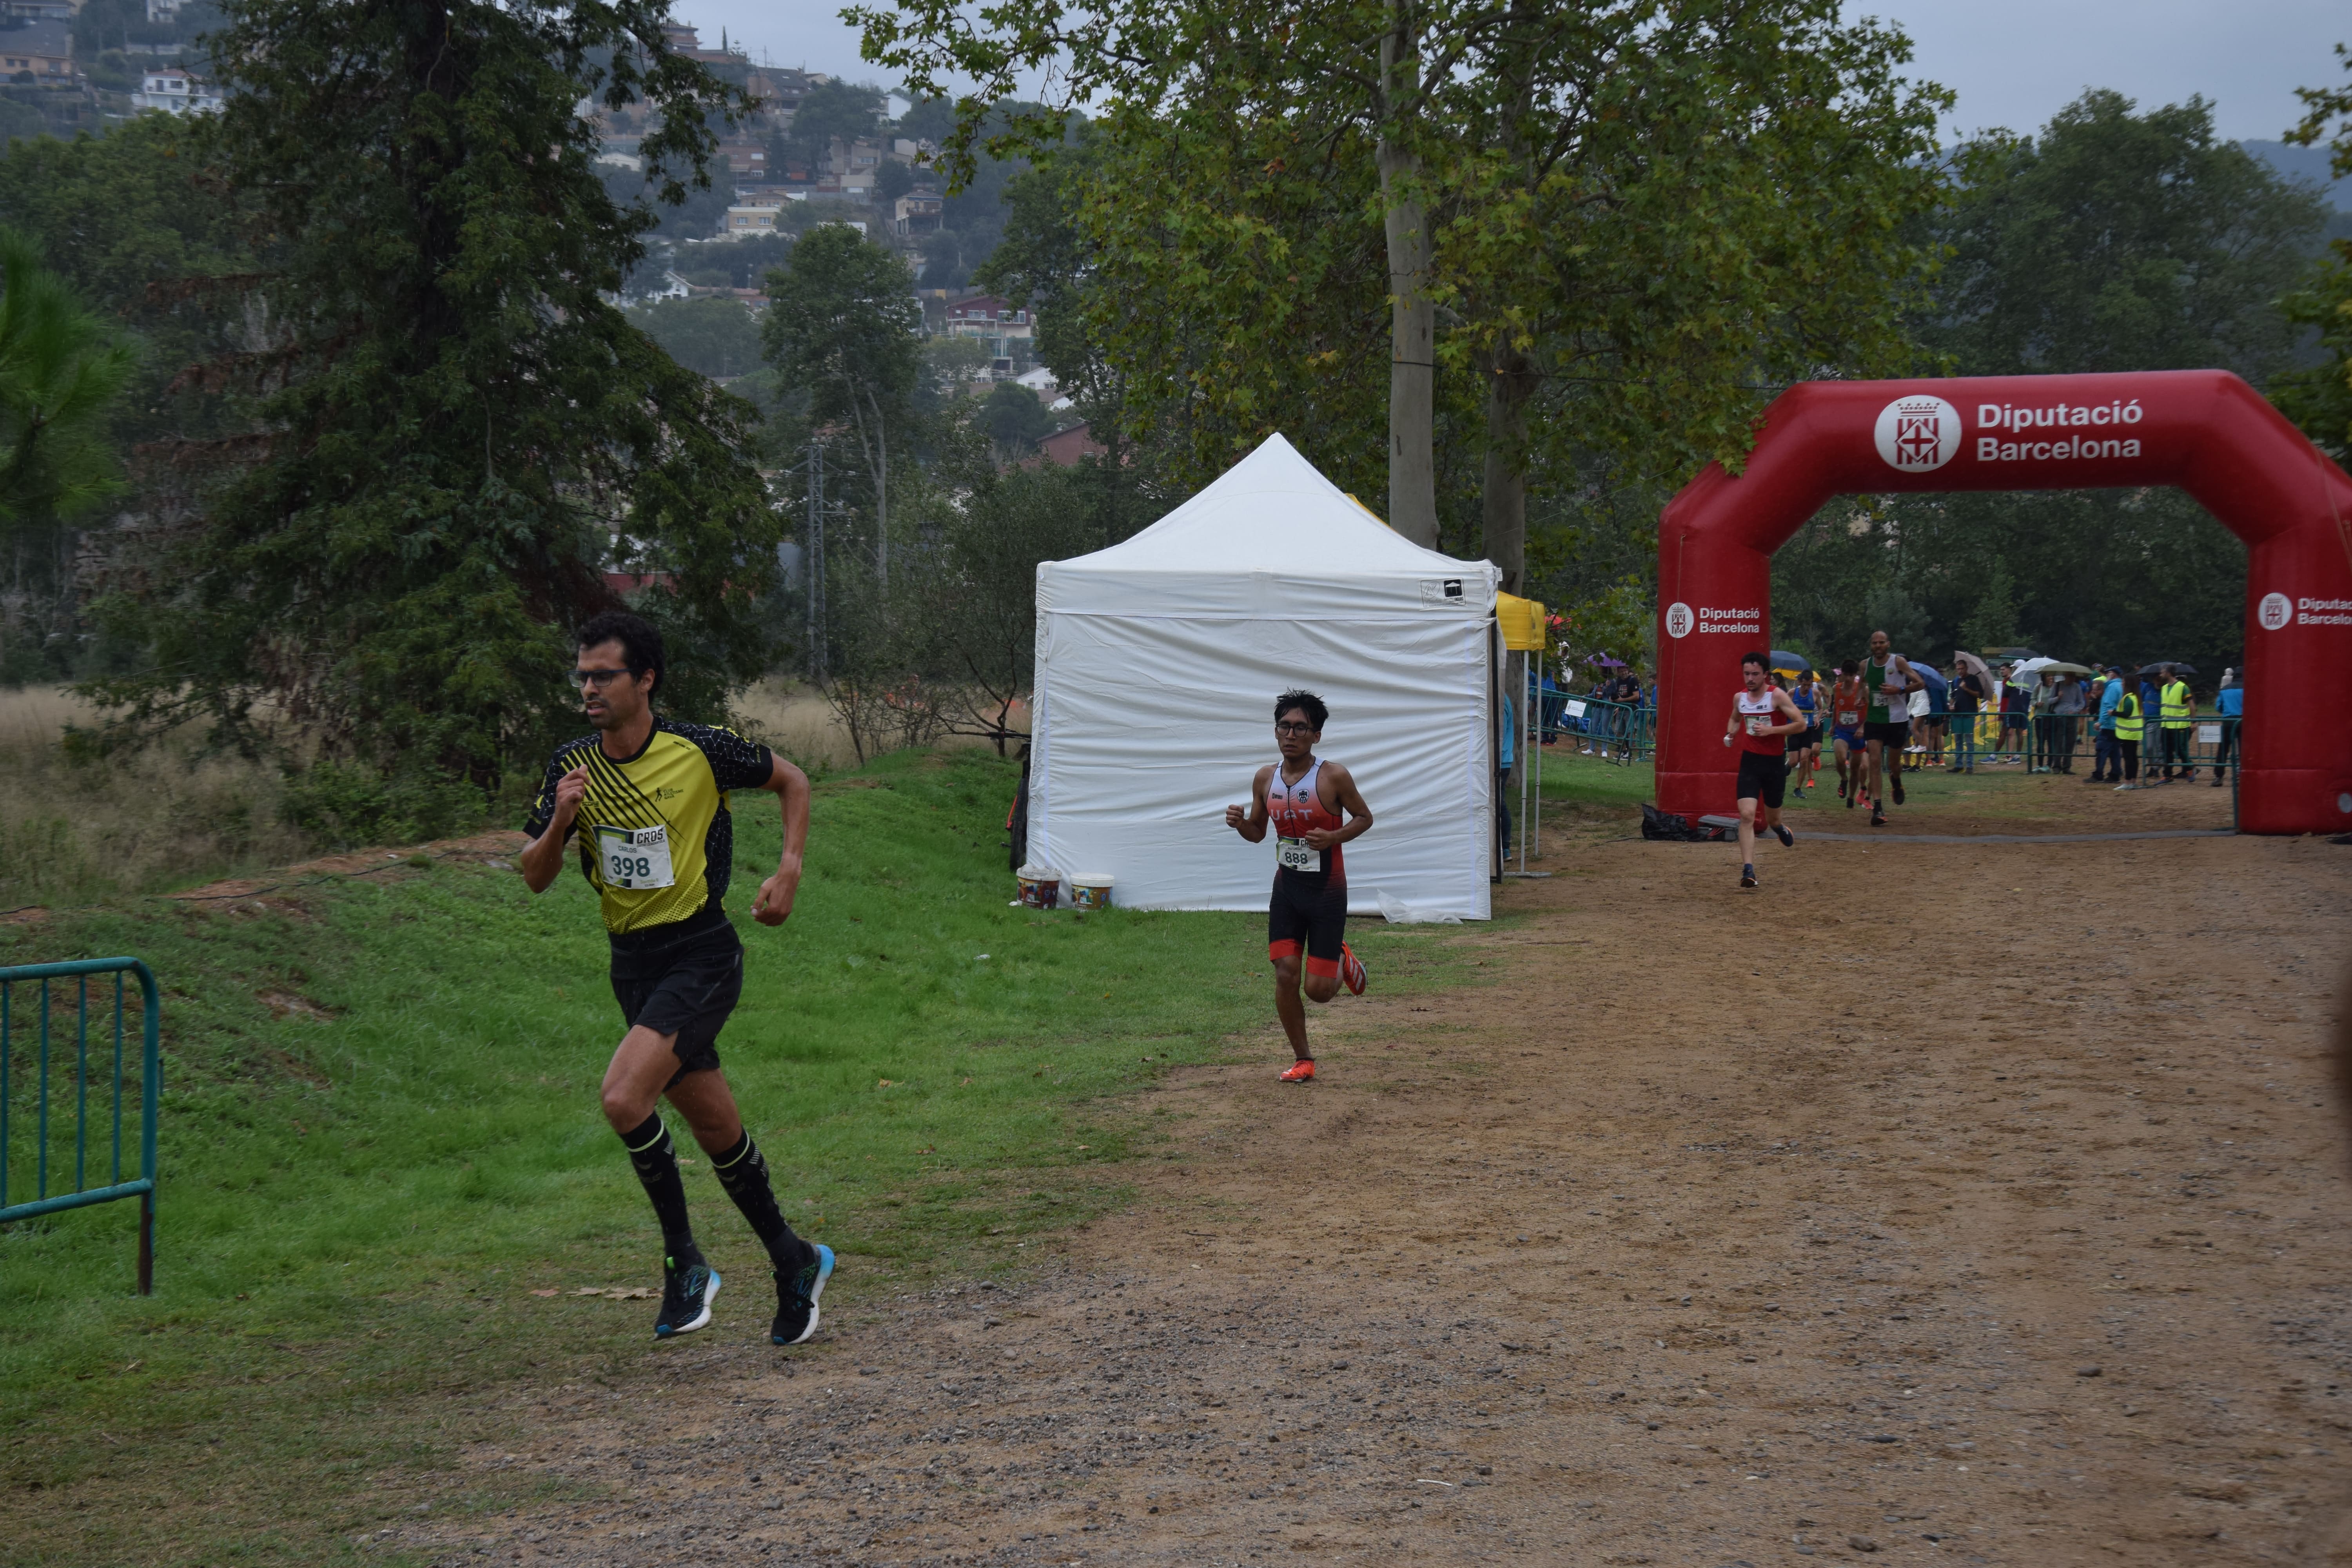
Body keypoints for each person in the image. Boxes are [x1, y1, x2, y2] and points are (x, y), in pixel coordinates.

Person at [519, 611, 833, 1345]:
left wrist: (788, 869)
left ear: (646, 679)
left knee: (624, 1096)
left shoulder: (698, 750)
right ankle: (794, 1260)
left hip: (702, 953)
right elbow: (535, 878)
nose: (589, 689)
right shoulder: (572, 769)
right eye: (583, 676)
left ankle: (685, 1264)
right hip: (630, 964)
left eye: (604, 676)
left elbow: (793, 781)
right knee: (717, 1128)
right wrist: (561, 823)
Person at [1225, 691, 1374, 1083]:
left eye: (1301, 728)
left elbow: (1364, 817)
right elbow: (1259, 832)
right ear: (1276, 732)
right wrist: (1240, 823)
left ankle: (1341, 958)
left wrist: (1335, 836)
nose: (1291, 734)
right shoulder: (1265, 777)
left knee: (1319, 991)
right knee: (1286, 975)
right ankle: (1303, 1058)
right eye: (1284, 726)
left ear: (1316, 735)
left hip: (1327, 892)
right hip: (1287, 891)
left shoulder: (1334, 776)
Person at [1723, 649, 1805, 887]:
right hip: (1750, 762)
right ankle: (1748, 870)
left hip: (1774, 764)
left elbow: (1800, 724)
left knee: (1772, 819)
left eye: (1755, 674)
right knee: (1747, 815)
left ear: (1766, 675)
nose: (1750, 679)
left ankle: (1780, 828)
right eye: (1747, 674)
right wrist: (1731, 733)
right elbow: (1735, 719)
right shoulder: (1740, 698)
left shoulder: (1777, 696)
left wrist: (1772, 731)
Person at [1862, 630, 1922, 827]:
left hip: (1897, 720)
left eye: (1881, 643)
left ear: (1888, 644)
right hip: (1874, 720)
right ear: (1871, 645)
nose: (1878, 646)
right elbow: (1861, 687)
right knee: (1875, 761)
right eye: (1874, 643)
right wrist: (1860, 698)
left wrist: (1900, 690)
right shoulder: (1865, 665)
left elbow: (1920, 683)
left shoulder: (1898, 663)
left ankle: (1896, 781)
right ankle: (1878, 807)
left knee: (1895, 764)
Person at [1829, 659, 1867, 808]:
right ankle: (1843, 779)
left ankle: (1851, 797)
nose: (1849, 679)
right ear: (1842, 675)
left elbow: (1870, 712)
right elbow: (1836, 708)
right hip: (1842, 730)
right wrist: (1832, 725)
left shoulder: (1863, 690)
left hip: (1858, 732)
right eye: (1846, 675)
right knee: (1840, 757)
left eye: (1852, 675)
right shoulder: (1836, 689)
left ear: (1856, 675)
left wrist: (1862, 728)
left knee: (1855, 768)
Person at [1788, 668, 1824, 797]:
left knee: (1804, 760)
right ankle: (1788, 764)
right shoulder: (1792, 693)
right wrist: (1787, 725)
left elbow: (1821, 709)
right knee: (1794, 762)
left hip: (1808, 730)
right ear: (1799, 682)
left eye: (1809, 685)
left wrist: (1818, 718)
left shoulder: (1815, 694)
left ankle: (1798, 789)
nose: (1806, 688)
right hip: (1794, 730)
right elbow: (1783, 709)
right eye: (1804, 685)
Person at [1947, 659, 1987, 773]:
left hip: (1969, 713)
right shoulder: (1956, 681)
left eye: (1962, 669)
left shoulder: (1974, 679)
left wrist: (1966, 689)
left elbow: (1979, 695)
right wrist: (1951, 706)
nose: (1960, 671)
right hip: (1957, 713)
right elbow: (1953, 696)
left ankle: (1970, 766)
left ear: (1967, 668)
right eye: (1958, 669)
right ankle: (1959, 765)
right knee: (1958, 740)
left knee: (1969, 740)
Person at [2089, 666, 2127, 783]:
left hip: (2109, 725)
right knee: (2115, 752)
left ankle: (2098, 774)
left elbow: (2108, 706)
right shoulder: (2121, 686)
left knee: (2101, 750)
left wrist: (2101, 722)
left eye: (2108, 673)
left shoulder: (2111, 687)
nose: (2106, 676)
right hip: (2117, 724)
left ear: (2113, 674)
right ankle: (2115, 775)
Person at [2159, 665, 2195, 781]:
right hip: (2166, 725)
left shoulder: (2182, 687)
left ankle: (2190, 769)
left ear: (2169, 673)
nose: (2161, 674)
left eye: (2163, 672)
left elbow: (2192, 706)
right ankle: (2168, 775)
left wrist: (2193, 722)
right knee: (2167, 750)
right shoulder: (2164, 688)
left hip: (2180, 725)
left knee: (2180, 749)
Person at [2109, 674, 2144, 790]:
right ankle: (2133, 782)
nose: (2122, 683)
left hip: (2128, 734)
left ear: (2128, 684)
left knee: (2129, 759)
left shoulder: (2128, 698)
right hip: (2134, 733)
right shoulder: (2136, 697)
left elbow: (2126, 713)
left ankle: (2128, 782)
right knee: (2134, 758)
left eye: (2123, 682)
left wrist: (2114, 713)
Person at [2050, 671, 2086, 774]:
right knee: (2059, 742)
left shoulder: (2077, 687)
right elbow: (2049, 700)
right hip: (2059, 716)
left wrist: (2075, 711)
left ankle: (2067, 766)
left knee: (2071, 741)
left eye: (2074, 677)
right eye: (2071, 676)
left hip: (2071, 716)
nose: (2072, 679)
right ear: (2066, 676)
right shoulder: (2057, 685)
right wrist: (2058, 697)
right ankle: (2057, 766)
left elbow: (2082, 703)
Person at [2212, 671, 2243, 787]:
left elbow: (2218, 707)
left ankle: (2219, 777)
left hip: (2228, 721)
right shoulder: (2248, 688)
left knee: (2223, 749)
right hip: (2243, 721)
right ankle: (2240, 775)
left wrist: (2227, 713)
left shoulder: (2224, 689)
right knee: (2243, 749)